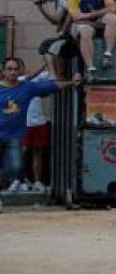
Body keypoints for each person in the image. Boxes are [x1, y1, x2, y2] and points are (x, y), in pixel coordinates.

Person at [1, 59, 73, 198]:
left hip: (14, 137)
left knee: (14, 167)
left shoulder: (27, 87)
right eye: (9, 69)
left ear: (19, 71)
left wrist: (71, 83)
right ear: (3, 71)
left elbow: (52, 86)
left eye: (15, 69)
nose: (13, 72)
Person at [67, 0, 116, 80]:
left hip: (96, 21)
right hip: (82, 25)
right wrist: (98, 14)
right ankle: (90, 67)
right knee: (86, 31)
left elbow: (112, 9)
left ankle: (107, 54)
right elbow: (76, 17)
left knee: (112, 18)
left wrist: (89, 14)